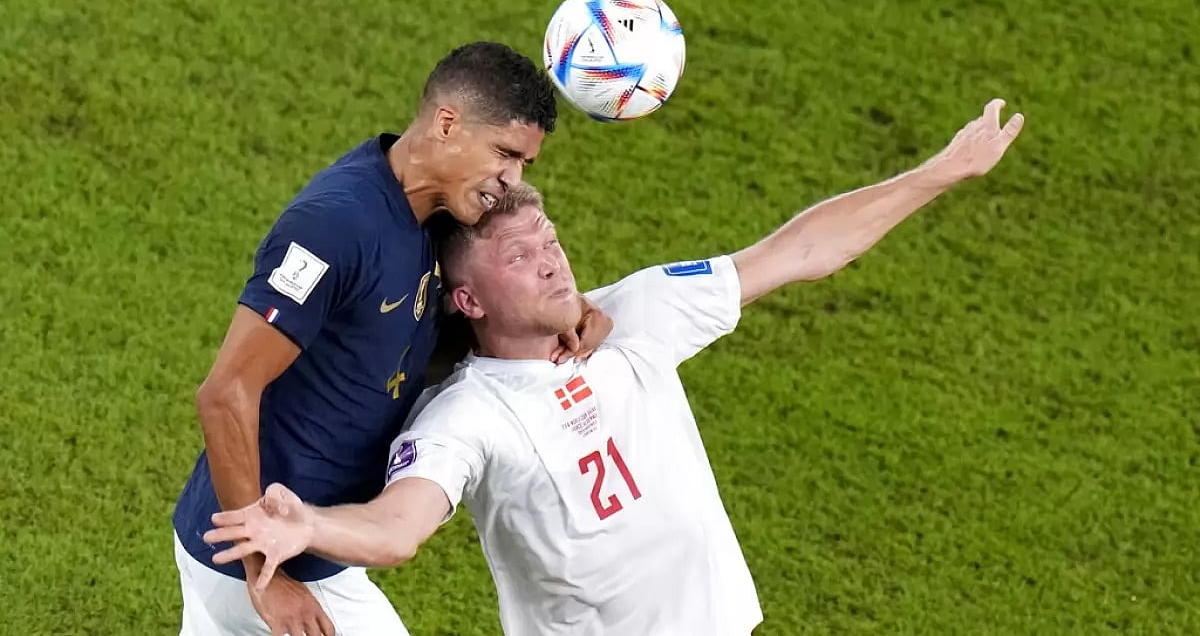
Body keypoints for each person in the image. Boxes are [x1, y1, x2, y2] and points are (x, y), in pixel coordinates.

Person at [202, 100, 1025, 635]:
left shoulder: (637, 313)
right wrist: (306, 525)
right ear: (470, 301)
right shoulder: (468, 414)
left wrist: (940, 173)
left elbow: (798, 250)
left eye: (551, 239)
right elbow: (399, 524)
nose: (553, 261)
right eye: (521, 255)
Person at [172, 41, 612, 636]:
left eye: (524, 166)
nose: (510, 180)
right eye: (505, 155)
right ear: (447, 122)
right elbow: (224, 392)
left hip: (281, 544)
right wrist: (264, 572)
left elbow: (473, 309)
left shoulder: (444, 216)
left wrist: (574, 311)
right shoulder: (334, 226)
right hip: (265, 554)